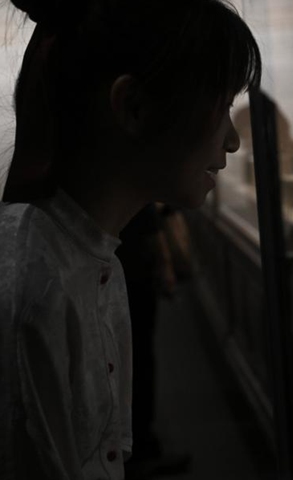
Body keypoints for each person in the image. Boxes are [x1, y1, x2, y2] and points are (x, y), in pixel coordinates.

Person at [0, 0, 261, 478]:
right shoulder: (39, 287)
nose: (232, 140)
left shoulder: (88, 258)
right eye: (220, 105)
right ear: (134, 108)